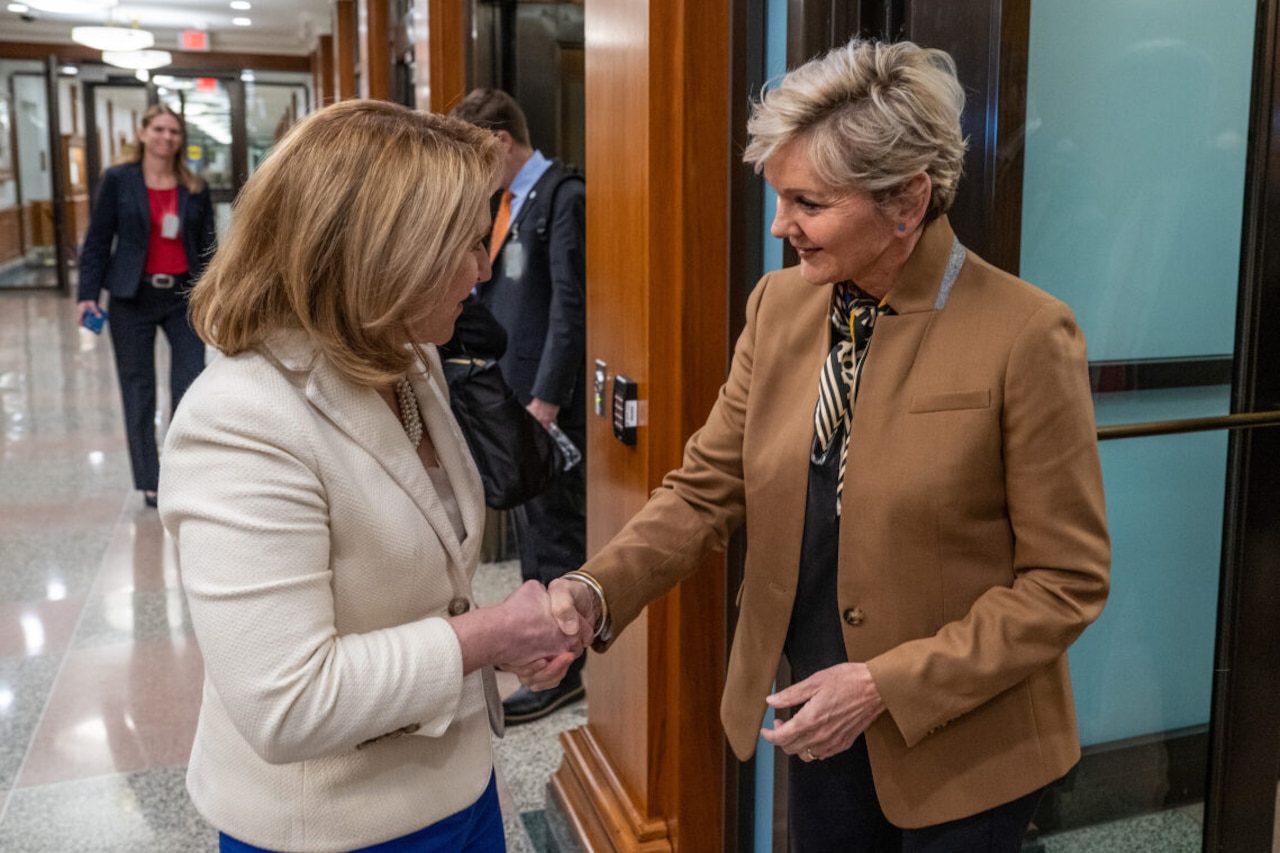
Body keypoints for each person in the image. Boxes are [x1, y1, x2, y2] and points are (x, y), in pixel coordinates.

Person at [547, 39, 1111, 851]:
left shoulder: (1026, 333)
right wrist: (593, 590)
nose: (782, 228)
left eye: (808, 203)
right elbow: (706, 487)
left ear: (906, 203)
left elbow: (1065, 581)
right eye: (780, 198)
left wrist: (884, 684)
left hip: (965, 748)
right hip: (817, 715)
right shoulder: (781, 307)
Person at [157, 100, 585, 853]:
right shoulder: (242, 419)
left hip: (457, 785)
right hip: (336, 825)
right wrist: (489, 632)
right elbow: (288, 701)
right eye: (464, 244)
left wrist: (500, 646)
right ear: (385, 253)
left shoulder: (406, 358)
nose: (483, 269)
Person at [450, 89, 589, 725]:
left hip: (543, 398)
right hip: (511, 388)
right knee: (533, 527)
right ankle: (537, 640)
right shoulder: (506, 202)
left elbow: (570, 305)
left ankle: (562, 668)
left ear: (501, 142)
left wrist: (547, 398)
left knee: (555, 530)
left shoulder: (562, 196)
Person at [77, 103, 216, 508]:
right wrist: (88, 293)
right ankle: (150, 479)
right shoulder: (119, 180)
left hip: (182, 297)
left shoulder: (194, 187)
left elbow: (208, 248)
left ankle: (182, 470)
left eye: (174, 131)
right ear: (142, 134)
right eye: (158, 129)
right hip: (131, 296)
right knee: (138, 391)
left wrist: (213, 294)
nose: (166, 137)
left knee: (189, 387)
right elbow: (99, 239)